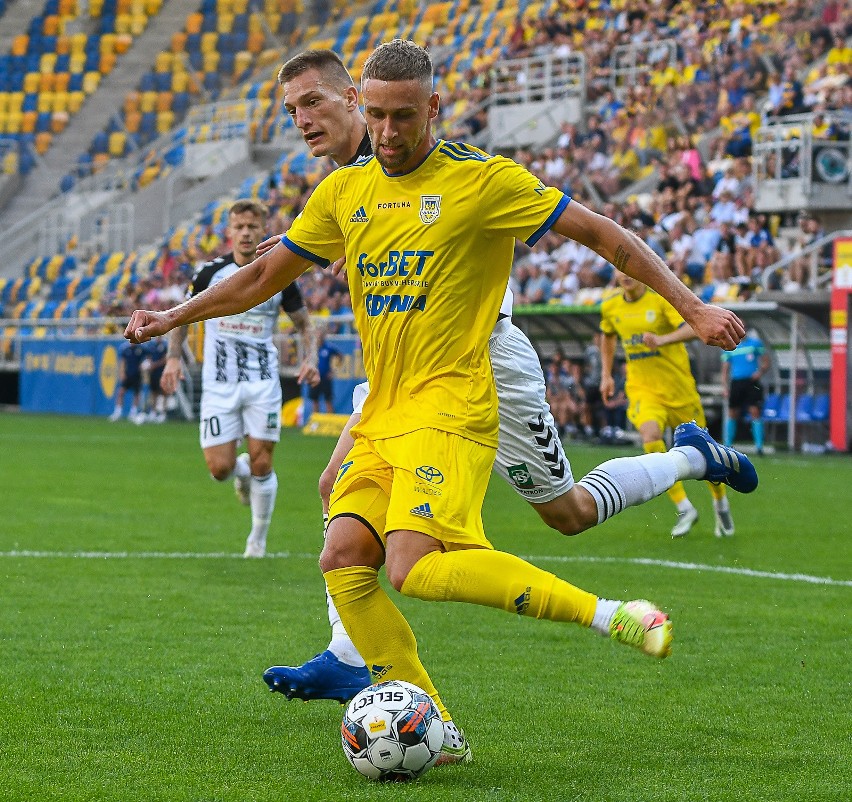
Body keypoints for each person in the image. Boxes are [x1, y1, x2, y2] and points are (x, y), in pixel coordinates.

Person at [125, 40, 756, 763]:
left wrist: (695, 306)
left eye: (312, 103)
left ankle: (652, 532)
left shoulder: (475, 179)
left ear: (403, 106)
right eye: (292, 107)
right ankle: (398, 695)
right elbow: (266, 270)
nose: (306, 119)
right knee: (344, 533)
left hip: (479, 372)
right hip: (395, 391)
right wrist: (175, 315)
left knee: (498, 537)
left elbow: (601, 234)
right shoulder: (341, 190)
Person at [159, 200, 321, 558]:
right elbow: (182, 317)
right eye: (239, 227)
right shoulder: (209, 275)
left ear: (264, 229)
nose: (246, 233)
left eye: (253, 226)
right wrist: (173, 359)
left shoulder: (281, 273)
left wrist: (310, 359)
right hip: (219, 384)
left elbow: (305, 325)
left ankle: (257, 541)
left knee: (264, 462)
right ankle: (241, 472)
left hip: (263, 381)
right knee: (220, 469)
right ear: (229, 231)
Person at [600, 270, 736, 539]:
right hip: (642, 389)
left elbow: (692, 327)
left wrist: (662, 339)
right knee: (650, 435)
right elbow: (607, 336)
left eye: (630, 270)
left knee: (705, 452)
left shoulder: (660, 301)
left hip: (679, 389)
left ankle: (720, 502)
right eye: (620, 271)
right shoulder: (609, 306)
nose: (626, 276)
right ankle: (684, 507)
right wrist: (606, 374)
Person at [720, 330, 770, 454]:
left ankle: (759, 446)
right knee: (733, 413)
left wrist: (759, 372)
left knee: (755, 411)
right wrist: (725, 387)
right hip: (736, 382)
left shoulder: (755, 344)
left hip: (751, 382)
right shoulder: (728, 345)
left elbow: (766, 362)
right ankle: (727, 445)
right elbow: (725, 369)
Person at [110, 340, 146, 422]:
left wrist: (144, 365)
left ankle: (133, 412)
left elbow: (147, 357)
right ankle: (118, 412)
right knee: (120, 392)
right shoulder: (125, 348)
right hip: (128, 374)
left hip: (137, 375)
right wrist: (122, 373)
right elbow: (122, 361)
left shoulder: (141, 349)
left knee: (136, 394)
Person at [309, 330, 342, 414]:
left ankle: (330, 422)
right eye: (317, 336)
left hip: (325, 378)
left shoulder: (328, 347)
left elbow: (340, 356)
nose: (319, 337)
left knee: (328, 400)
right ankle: (315, 422)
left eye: (320, 335)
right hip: (314, 377)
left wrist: (334, 371)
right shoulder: (312, 348)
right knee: (315, 401)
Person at [143, 336, 168, 423]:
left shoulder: (164, 345)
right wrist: (150, 365)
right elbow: (148, 357)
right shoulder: (151, 345)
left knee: (163, 392)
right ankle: (153, 412)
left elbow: (165, 359)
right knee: (153, 392)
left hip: (162, 371)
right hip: (153, 373)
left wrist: (154, 365)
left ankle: (163, 413)